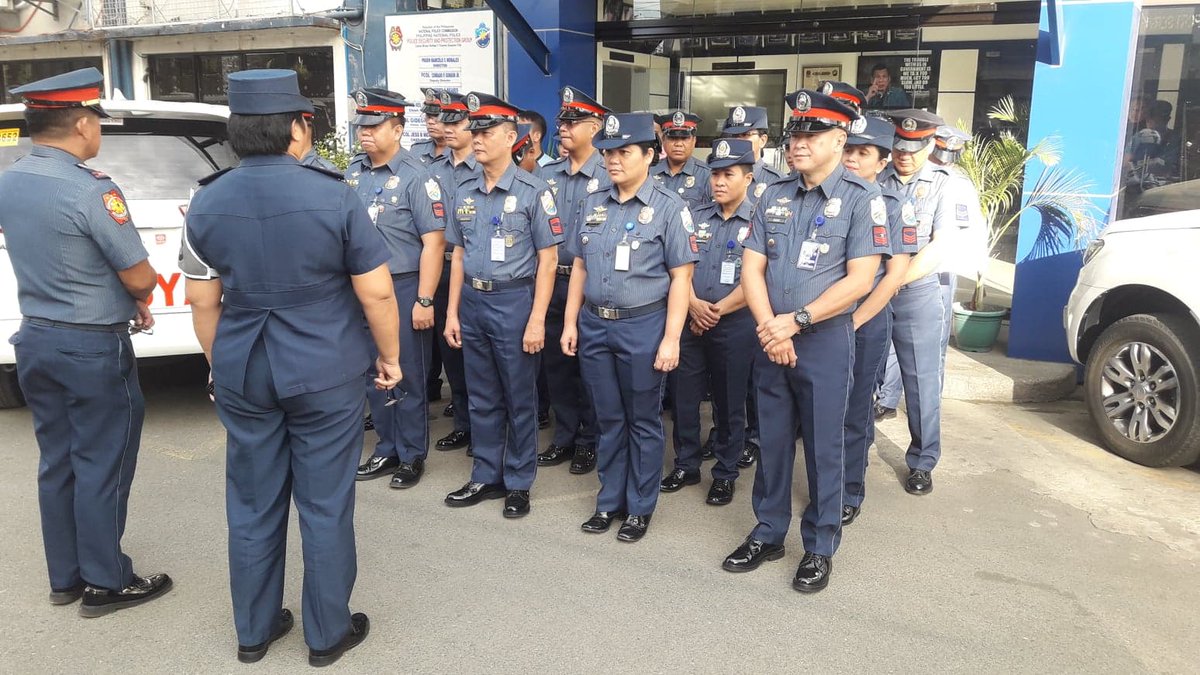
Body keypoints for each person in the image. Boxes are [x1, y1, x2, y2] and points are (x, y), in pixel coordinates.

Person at [182, 69, 401, 666]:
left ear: (236, 131)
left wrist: (220, 365)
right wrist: (390, 358)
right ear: (299, 128)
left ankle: (254, 632)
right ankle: (326, 634)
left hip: (244, 367)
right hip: (325, 368)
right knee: (325, 504)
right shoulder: (335, 194)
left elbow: (202, 301)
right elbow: (377, 293)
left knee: (253, 502)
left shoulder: (207, 199)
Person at [0, 67, 172, 617]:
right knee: (103, 460)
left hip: (36, 339)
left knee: (58, 461)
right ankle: (105, 582)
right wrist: (136, 294)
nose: (98, 130)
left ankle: (67, 577)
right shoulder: (91, 188)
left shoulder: (9, 180)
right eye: (96, 119)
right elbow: (139, 276)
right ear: (80, 124)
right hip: (91, 347)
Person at [722, 89, 888, 593]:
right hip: (771, 336)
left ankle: (819, 546)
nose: (799, 142)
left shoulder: (862, 198)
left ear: (839, 140)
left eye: (813, 133)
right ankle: (768, 532)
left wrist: (795, 321)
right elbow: (752, 267)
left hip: (823, 340)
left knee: (823, 447)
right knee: (772, 442)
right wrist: (770, 326)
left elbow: (861, 279)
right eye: (796, 132)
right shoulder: (772, 194)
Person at [561, 112, 697, 542]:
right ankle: (609, 501)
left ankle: (639, 507)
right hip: (595, 325)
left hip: (644, 326)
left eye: (624, 152)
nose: (613, 160)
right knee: (608, 418)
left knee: (642, 419)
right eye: (608, 153)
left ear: (649, 155)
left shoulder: (669, 208)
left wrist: (672, 338)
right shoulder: (593, 202)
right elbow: (579, 267)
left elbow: (681, 278)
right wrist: (570, 322)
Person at [443, 92, 562, 518]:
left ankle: (518, 481)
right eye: (474, 131)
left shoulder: (534, 191)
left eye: (486, 132)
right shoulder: (464, 190)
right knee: (481, 395)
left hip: (514, 301)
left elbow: (549, 261)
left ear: (511, 137)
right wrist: (452, 312)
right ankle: (485, 474)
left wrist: (536, 320)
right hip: (473, 300)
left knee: (518, 396)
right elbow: (457, 254)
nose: (476, 139)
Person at [874, 108, 984, 496]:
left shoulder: (948, 185)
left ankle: (922, 460)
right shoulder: (877, 178)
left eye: (913, 148)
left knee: (922, 380)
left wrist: (894, 281)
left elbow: (941, 245)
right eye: (899, 147)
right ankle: (857, 448)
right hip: (872, 288)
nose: (904, 155)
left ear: (929, 145)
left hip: (917, 291)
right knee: (863, 373)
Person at [345, 89, 447, 490]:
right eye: (362, 127)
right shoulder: (353, 173)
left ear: (398, 129)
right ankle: (386, 446)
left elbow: (434, 244)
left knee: (407, 374)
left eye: (374, 127)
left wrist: (424, 299)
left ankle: (411, 453)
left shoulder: (417, 177)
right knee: (372, 371)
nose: (364, 133)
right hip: (360, 288)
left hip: (402, 288)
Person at [660, 138, 757, 506]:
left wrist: (715, 311)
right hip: (691, 319)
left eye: (728, 174)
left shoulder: (760, 221)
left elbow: (759, 278)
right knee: (684, 398)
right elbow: (678, 268)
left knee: (730, 402)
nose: (718, 181)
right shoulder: (694, 216)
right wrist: (694, 305)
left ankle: (725, 472)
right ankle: (686, 465)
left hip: (734, 324)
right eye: (715, 174)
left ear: (747, 178)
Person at [839, 113, 918, 526]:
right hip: (823, 318)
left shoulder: (892, 206)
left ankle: (850, 488)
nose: (852, 159)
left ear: (882, 161)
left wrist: (854, 321)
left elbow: (894, 275)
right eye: (848, 150)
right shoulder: (826, 197)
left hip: (865, 320)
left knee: (855, 406)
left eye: (863, 153)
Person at [534, 86, 610, 474]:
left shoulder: (609, 175)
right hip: (551, 280)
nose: (563, 127)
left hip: (590, 283)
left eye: (573, 121)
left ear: (595, 127)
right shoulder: (546, 175)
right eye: (562, 120)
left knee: (589, 368)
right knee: (556, 365)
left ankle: (589, 440)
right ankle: (564, 435)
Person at [428, 91, 479, 453]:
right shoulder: (432, 170)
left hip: (476, 270)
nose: (448, 128)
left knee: (481, 357)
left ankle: (488, 428)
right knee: (452, 354)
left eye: (456, 121)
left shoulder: (486, 167)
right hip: (442, 268)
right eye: (444, 120)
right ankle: (464, 423)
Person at [720, 105, 786, 199]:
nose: (738, 141)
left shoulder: (777, 182)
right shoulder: (718, 178)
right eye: (734, 136)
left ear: (762, 140)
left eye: (745, 135)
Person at [652, 110, 712, 208]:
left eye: (684, 138)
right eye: (672, 138)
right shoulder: (649, 172)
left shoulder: (706, 175)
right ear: (663, 140)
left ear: (694, 141)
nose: (678, 144)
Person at [409, 87, 447, 165]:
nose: (430, 122)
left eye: (436, 116)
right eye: (428, 116)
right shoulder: (417, 150)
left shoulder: (459, 152)